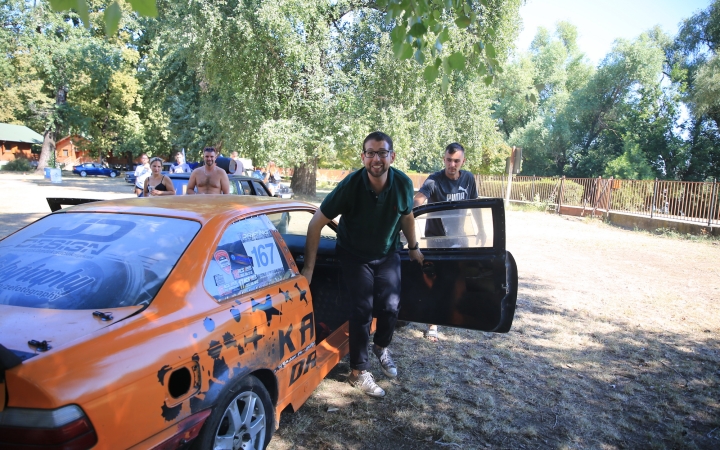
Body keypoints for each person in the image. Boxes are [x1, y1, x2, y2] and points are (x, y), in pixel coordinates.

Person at [302, 131, 424, 398]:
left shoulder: (403, 183)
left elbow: (407, 218)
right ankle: (358, 371)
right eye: (370, 153)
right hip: (354, 254)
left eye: (382, 152)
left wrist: (413, 248)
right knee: (362, 309)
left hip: (388, 251)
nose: (376, 158)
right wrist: (308, 270)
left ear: (392, 156)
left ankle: (381, 346)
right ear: (363, 157)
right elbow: (315, 223)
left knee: (391, 306)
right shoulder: (350, 186)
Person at [413, 142, 478, 342]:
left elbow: (475, 205)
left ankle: (454, 315)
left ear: (463, 161)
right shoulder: (434, 180)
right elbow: (419, 199)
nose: (452, 164)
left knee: (458, 278)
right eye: (449, 160)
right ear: (444, 160)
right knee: (436, 282)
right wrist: (412, 209)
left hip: (460, 238)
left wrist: (482, 231)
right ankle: (433, 323)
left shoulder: (468, 179)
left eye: (456, 160)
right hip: (436, 240)